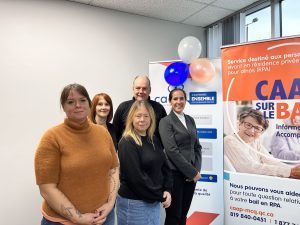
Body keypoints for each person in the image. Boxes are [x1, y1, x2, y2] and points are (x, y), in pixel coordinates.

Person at [35, 84, 119, 225]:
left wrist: (110, 204)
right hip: (63, 221)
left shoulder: (103, 133)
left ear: (89, 104)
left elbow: (113, 169)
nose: (77, 105)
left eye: (82, 100)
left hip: (104, 218)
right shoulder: (52, 138)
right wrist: (77, 217)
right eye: (70, 102)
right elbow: (47, 188)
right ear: (63, 107)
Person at [116, 100, 172, 225]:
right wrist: (160, 195)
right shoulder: (127, 142)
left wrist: (167, 189)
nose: (142, 120)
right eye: (138, 116)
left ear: (151, 118)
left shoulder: (153, 139)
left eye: (146, 116)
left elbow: (165, 166)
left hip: (153, 201)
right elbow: (136, 178)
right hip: (134, 204)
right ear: (131, 118)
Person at [159, 88, 202, 225]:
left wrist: (196, 170)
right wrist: (191, 171)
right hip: (174, 175)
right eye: (175, 99)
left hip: (191, 177)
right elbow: (171, 150)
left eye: (181, 98)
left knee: (183, 214)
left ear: (185, 100)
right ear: (170, 101)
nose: (179, 101)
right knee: (174, 216)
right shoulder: (165, 121)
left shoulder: (190, 120)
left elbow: (197, 147)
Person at [224, 108, 300, 178]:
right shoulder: (230, 141)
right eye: (248, 125)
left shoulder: (255, 141)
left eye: (257, 128)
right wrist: (289, 171)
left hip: (257, 181)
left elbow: (269, 160)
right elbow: (249, 168)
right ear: (239, 124)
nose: (251, 131)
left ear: (262, 132)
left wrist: (292, 169)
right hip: (243, 186)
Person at [113, 75, 167, 142]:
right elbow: (115, 133)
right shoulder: (123, 107)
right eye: (138, 88)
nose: (141, 91)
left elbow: (164, 134)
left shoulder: (159, 108)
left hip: (153, 150)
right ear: (133, 89)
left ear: (149, 90)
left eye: (144, 88)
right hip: (128, 150)